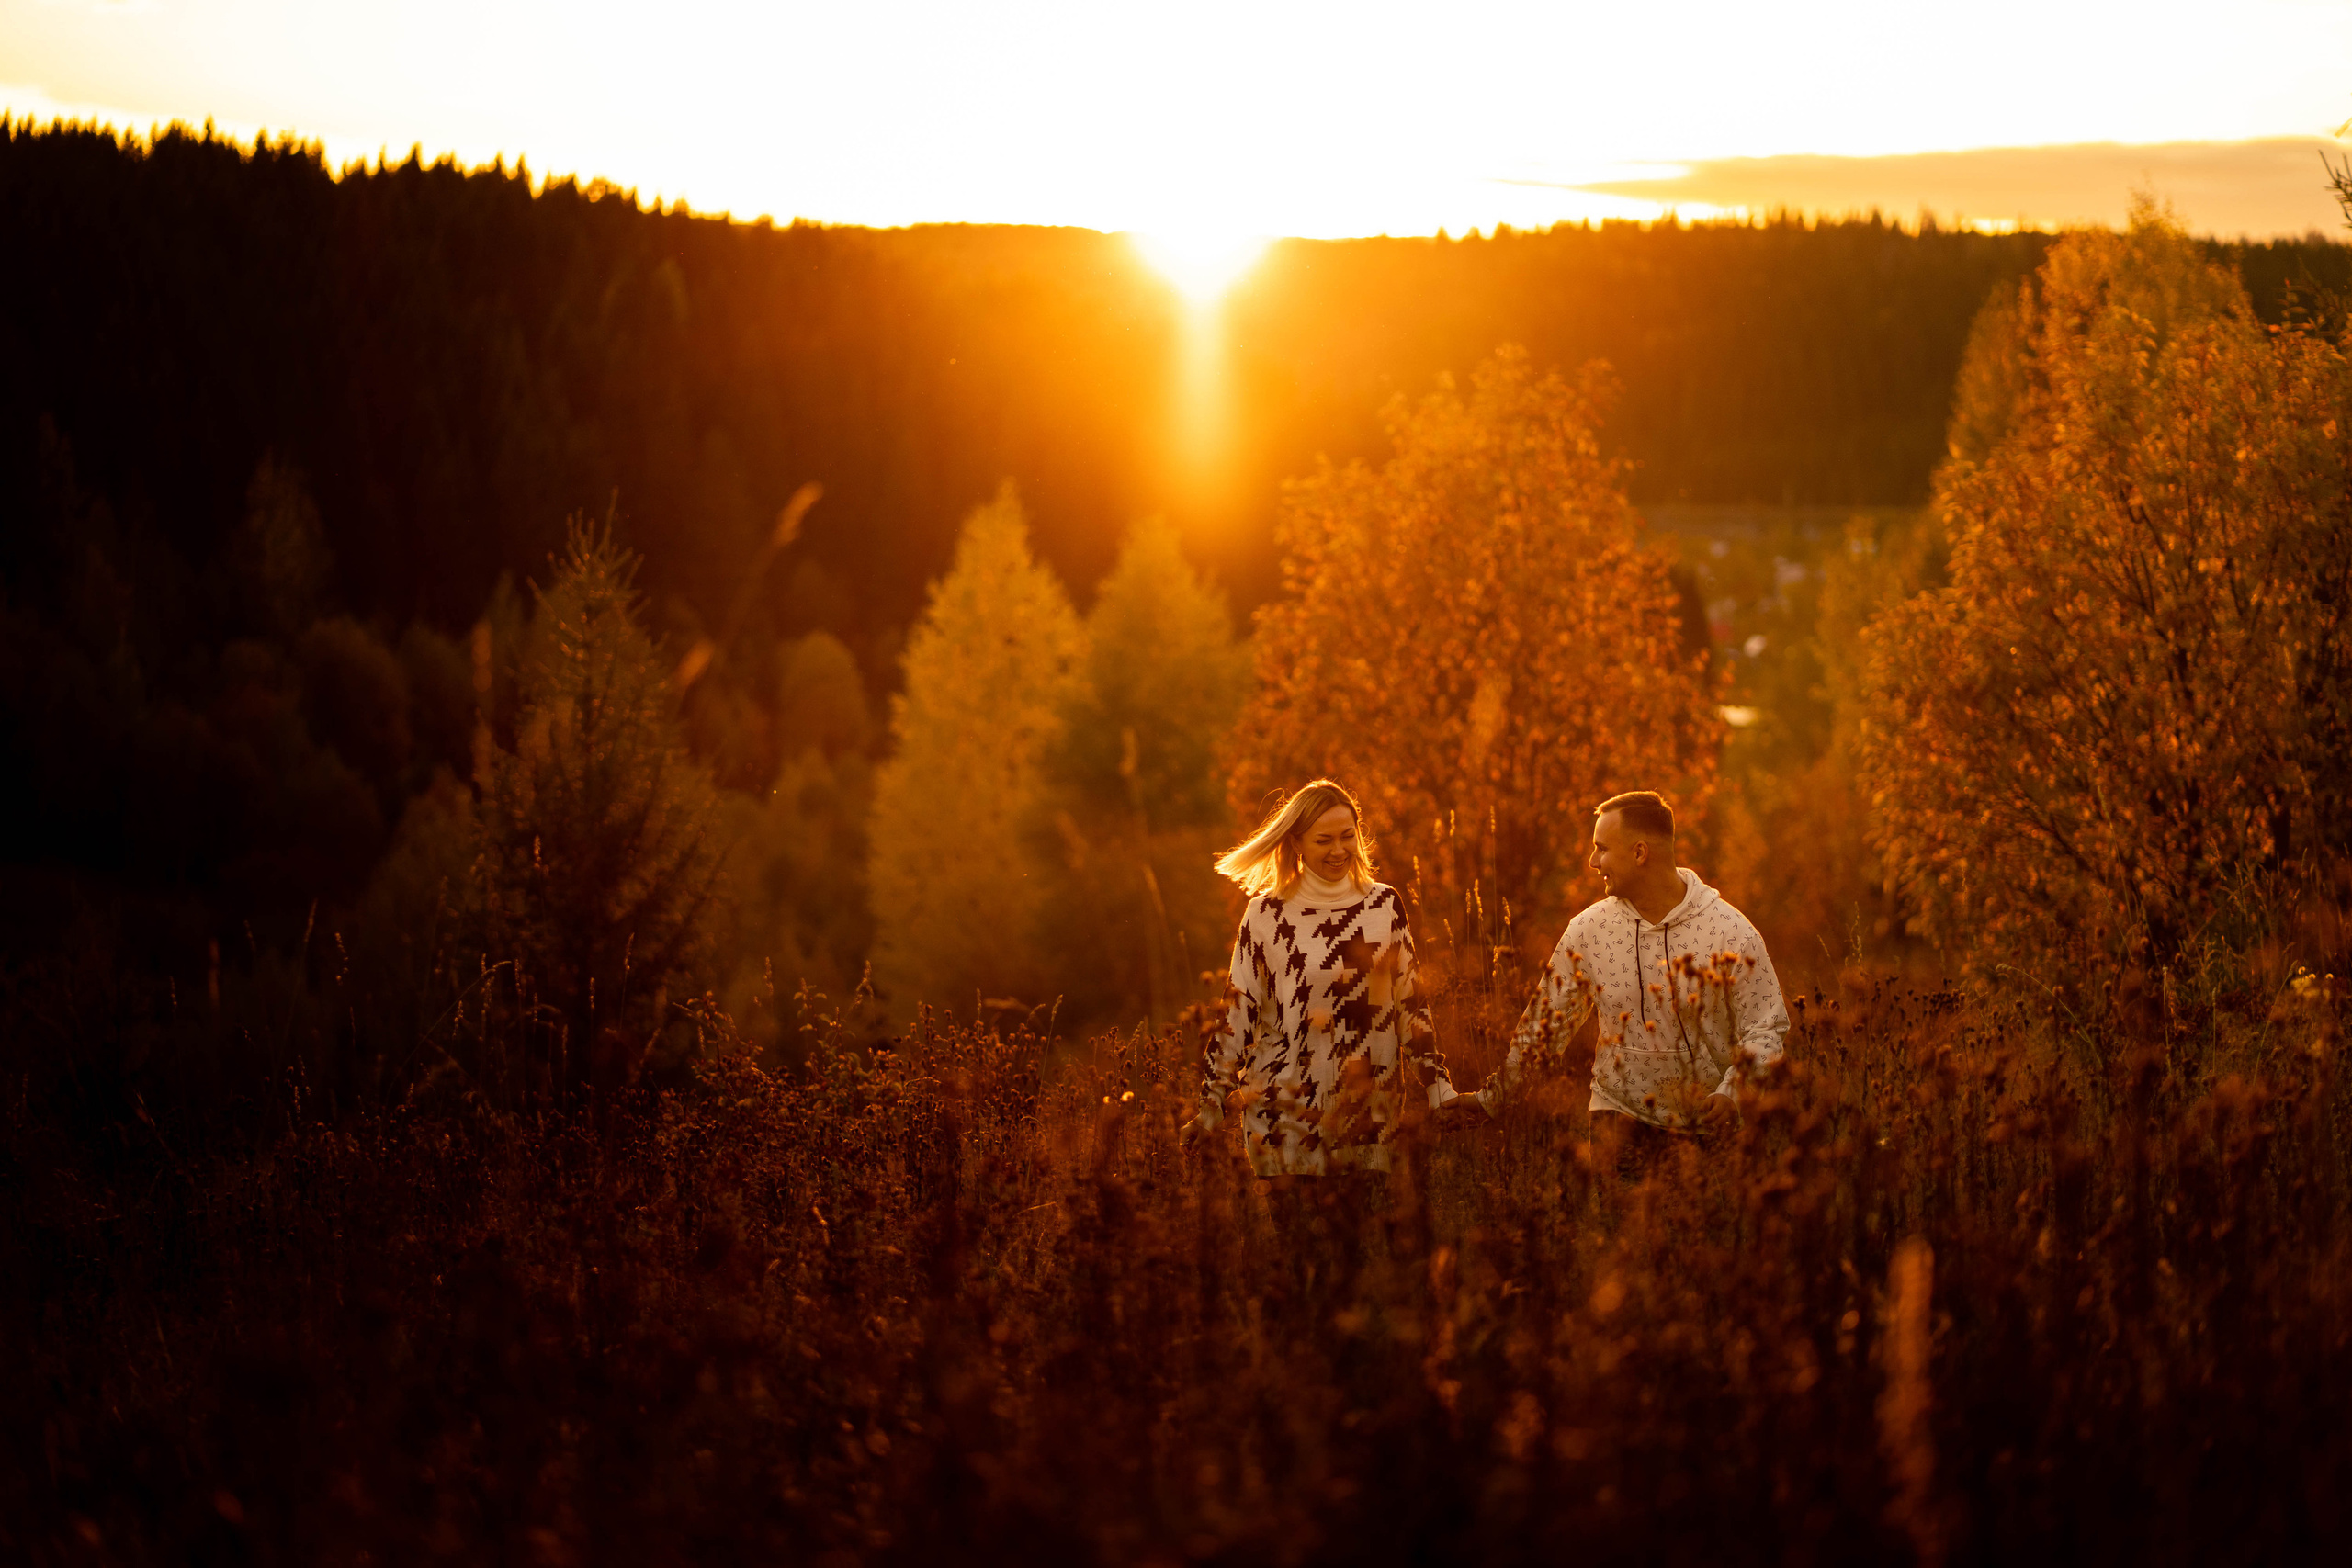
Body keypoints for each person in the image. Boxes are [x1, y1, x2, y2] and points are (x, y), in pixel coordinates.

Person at [1458, 790, 1789, 1173]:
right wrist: (1492, 1100)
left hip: (1708, 1133)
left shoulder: (1731, 933)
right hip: (1617, 1123)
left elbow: (1765, 1029)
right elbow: (1543, 1030)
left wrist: (1734, 1094)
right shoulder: (1589, 931)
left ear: (1639, 853)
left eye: (1602, 849)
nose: (1592, 861)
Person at [1181, 779, 1467, 1176]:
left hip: (1370, 1120)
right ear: (1296, 844)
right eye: (1324, 841)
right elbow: (1237, 1017)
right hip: (1285, 1121)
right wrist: (1210, 1108)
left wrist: (1437, 1085)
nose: (1339, 851)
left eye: (1348, 837)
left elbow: (1410, 1003)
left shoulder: (1383, 905)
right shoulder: (1266, 915)